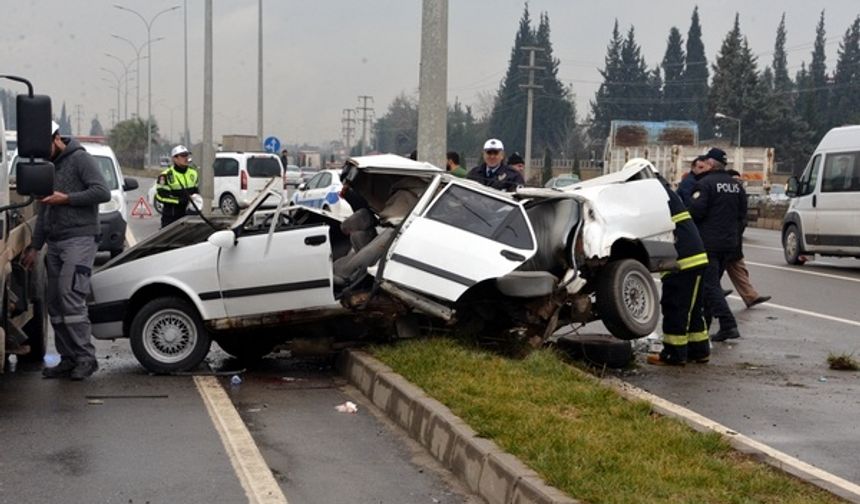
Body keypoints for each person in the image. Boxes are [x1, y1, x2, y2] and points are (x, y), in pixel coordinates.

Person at [22, 121, 110, 380]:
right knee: (55, 303)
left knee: (70, 297)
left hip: (80, 238)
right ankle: (68, 358)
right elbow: (44, 209)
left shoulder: (80, 159)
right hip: (56, 240)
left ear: (57, 138)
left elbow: (101, 192)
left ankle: (86, 358)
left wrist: (67, 198)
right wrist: (35, 247)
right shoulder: (47, 167)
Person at [635, 160, 710, 366]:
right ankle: (699, 350)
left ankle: (674, 354)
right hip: (695, 257)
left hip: (682, 260)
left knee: (675, 306)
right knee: (693, 309)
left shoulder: (651, 194)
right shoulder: (665, 191)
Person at [687, 148, 747, 342]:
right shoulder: (736, 186)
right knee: (711, 286)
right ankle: (704, 325)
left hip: (708, 244)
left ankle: (728, 324)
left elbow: (695, 212)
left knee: (709, 286)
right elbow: (742, 217)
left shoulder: (704, 184)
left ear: (711, 164)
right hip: (729, 244)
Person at [724, 169, 771, 308]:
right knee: (715, 271)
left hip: (733, 240)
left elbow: (742, 216)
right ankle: (710, 295)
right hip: (722, 240)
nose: (738, 184)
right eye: (735, 181)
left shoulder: (739, 194)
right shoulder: (724, 195)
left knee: (739, 268)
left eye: (740, 181)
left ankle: (750, 296)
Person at [156, 145, 200, 228]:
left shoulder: (193, 173)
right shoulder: (166, 176)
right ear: (174, 158)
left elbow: (196, 191)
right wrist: (179, 200)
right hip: (172, 217)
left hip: (189, 215)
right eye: (183, 156)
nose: (186, 158)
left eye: (187, 155)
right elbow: (161, 196)